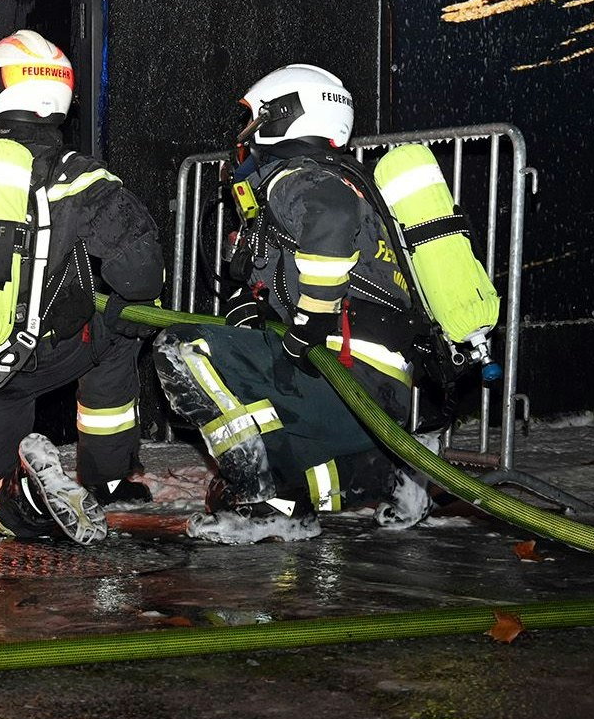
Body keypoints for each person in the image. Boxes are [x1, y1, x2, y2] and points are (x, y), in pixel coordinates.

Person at [0, 30, 164, 545]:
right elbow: (140, 277)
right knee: (122, 329)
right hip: (59, 351)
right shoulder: (83, 179)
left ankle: (23, 498)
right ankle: (106, 478)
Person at [152, 63, 432, 543]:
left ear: (282, 116)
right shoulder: (342, 177)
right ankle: (390, 477)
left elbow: (330, 223)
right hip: (377, 396)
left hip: (347, 376)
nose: (245, 135)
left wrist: (310, 319)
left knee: (181, 350)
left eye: (253, 119)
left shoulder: (297, 177)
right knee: (262, 485)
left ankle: (260, 501)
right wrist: (267, 316)